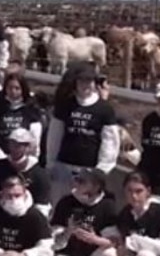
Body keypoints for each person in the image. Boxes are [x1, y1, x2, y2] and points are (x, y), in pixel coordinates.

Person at [46, 68, 119, 204]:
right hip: (64, 167)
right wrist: (50, 162)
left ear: (94, 83)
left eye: (89, 81)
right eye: (81, 81)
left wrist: (102, 169)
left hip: (89, 169)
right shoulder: (65, 105)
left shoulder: (104, 109)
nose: (85, 85)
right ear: (76, 83)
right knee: (60, 205)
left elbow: (110, 141)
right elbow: (54, 136)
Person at [47, 169, 119, 256]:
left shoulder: (107, 205)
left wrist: (95, 239)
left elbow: (113, 241)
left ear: (96, 186)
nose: (76, 183)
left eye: (82, 181)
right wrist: (68, 231)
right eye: (76, 179)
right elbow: (54, 240)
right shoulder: (66, 202)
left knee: (111, 254)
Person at [0, 129, 52, 214]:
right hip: (0, 212)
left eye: (19, 145)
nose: (14, 147)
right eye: (12, 143)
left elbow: (42, 205)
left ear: (28, 147)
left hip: (29, 215)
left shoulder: (39, 173)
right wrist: (3, 196)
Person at [0, 73, 43, 168]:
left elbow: (35, 139)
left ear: (23, 89)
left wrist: (27, 159)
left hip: (23, 161)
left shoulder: (31, 109)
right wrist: (0, 157)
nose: (13, 91)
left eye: (17, 88)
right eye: (10, 88)